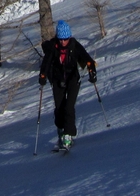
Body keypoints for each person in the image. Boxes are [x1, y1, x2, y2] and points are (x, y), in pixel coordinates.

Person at [38, 19, 97, 150]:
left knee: (69, 107)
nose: (63, 42)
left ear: (69, 37)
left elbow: (88, 59)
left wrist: (92, 72)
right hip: (57, 80)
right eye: (61, 39)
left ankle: (68, 135)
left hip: (72, 79)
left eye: (65, 39)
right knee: (59, 108)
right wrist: (43, 76)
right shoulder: (53, 47)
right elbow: (46, 63)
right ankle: (61, 129)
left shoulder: (74, 46)